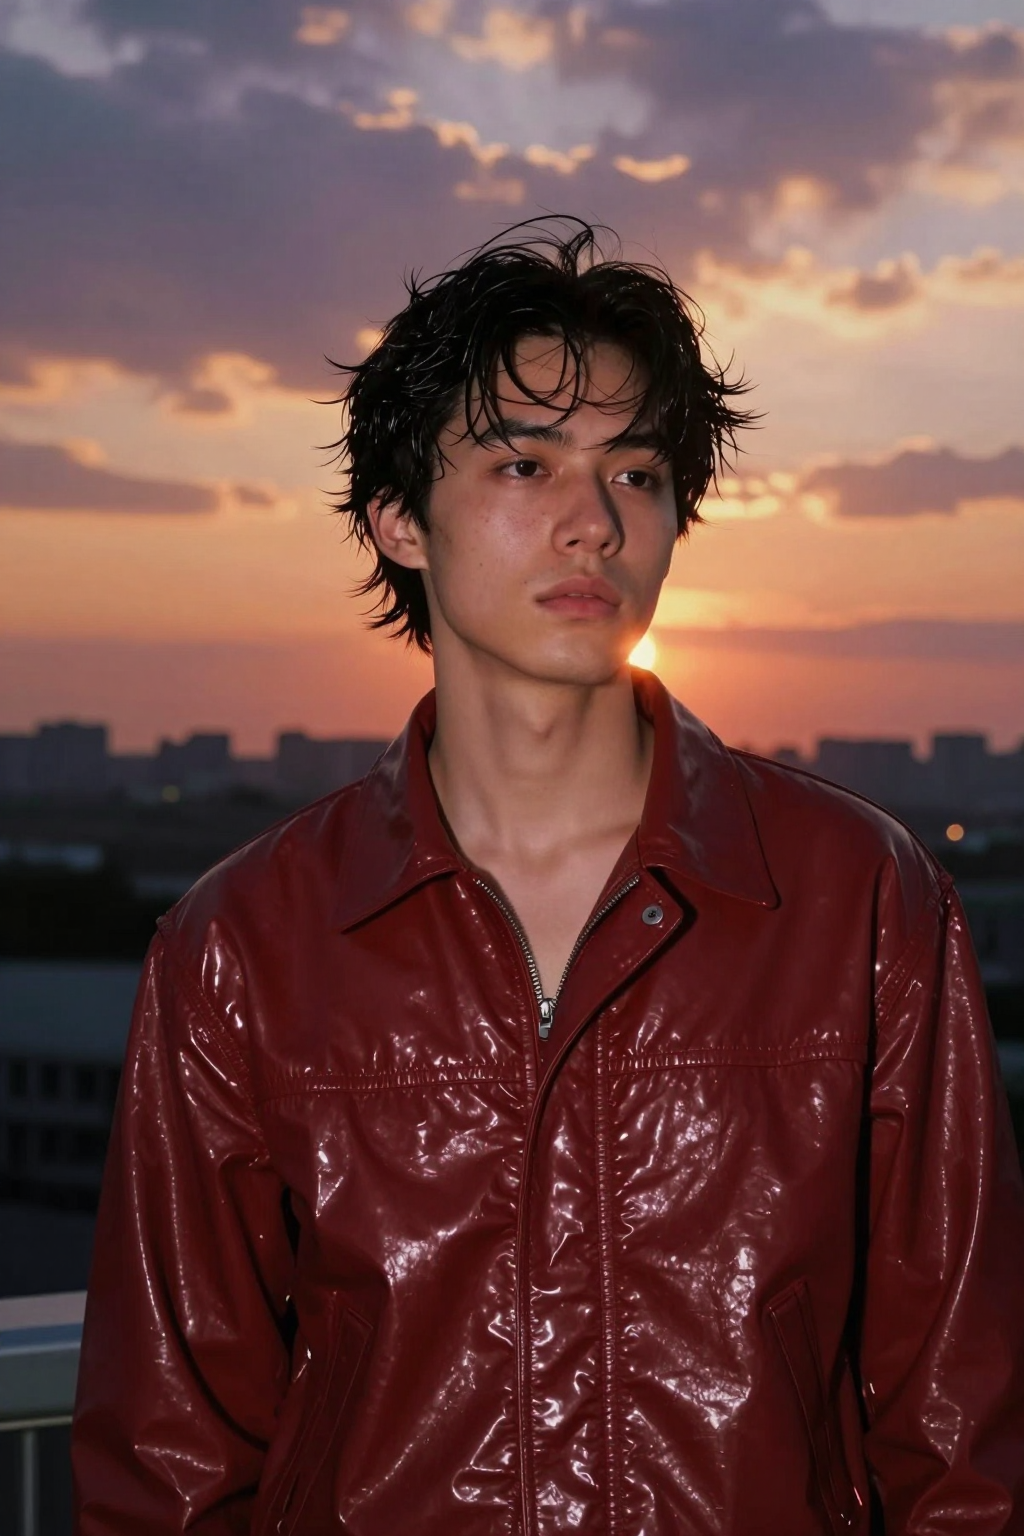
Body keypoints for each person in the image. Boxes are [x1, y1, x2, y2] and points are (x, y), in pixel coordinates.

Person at [72, 219, 1024, 1534]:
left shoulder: (862, 897)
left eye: (635, 473)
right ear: (398, 520)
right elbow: (168, 1460)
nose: (593, 522)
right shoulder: (244, 941)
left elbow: (961, 1430)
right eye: (525, 464)